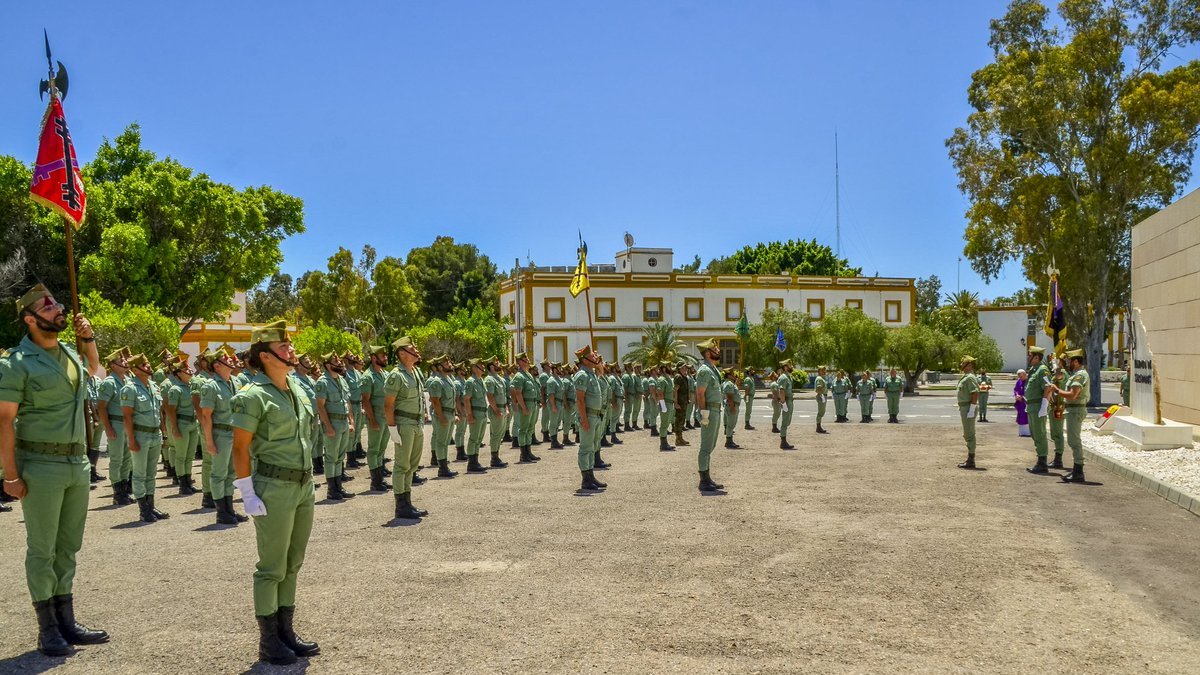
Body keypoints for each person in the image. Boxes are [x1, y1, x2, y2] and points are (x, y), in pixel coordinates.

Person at [0, 284, 109, 656]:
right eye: (49, 309)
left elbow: (98, 371)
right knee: (42, 549)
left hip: (76, 462)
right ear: (31, 320)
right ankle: (47, 628)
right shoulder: (15, 363)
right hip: (41, 464)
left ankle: (66, 620)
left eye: (59, 305)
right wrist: (10, 475)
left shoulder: (70, 353)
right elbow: (4, 422)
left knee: (68, 546)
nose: (58, 311)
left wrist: (89, 337)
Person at [228, 320, 321, 665]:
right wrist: (247, 492)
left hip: (302, 485)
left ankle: (286, 631)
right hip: (274, 487)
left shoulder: (296, 389)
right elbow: (240, 448)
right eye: (283, 347)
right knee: (271, 567)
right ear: (264, 356)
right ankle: (268, 641)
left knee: (293, 563)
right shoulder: (253, 396)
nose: (290, 350)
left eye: (289, 345)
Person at [200, 345, 248, 524]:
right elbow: (206, 416)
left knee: (231, 474)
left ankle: (229, 509)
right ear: (217, 365)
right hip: (221, 433)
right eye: (226, 359)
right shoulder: (211, 386)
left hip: (235, 433)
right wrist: (210, 442)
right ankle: (221, 512)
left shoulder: (235, 382)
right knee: (219, 473)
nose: (230, 360)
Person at [384, 336, 429, 520]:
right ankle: (400, 505)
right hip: (404, 424)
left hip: (416, 423)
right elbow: (388, 405)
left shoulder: (415, 372)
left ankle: (408, 501)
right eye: (413, 349)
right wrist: (392, 428)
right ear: (402, 354)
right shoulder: (396, 375)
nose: (417, 351)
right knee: (402, 465)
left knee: (412, 465)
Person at [121, 353, 169, 523]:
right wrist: (131, 439)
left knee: (151, 473)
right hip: (140, 435)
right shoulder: (130, 388)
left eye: (148, 364)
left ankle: (151, 506)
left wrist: (164, 433)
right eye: (145, 365)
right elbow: (127, 416)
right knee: (140, 474)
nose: (149, 367)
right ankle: (143, 510)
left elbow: (160, 413)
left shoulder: (154, 387)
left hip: (154, 434)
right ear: (135, 369)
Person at [98, 347, 134, 505]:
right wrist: (108, 427)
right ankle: (117, 493)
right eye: (121, 361)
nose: (125, 362)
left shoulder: (127, 381)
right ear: (113, 365)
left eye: (124, 360)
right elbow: (101, 407)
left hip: (128, 424)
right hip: (116, 423)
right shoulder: (109, 383)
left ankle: (124, 490)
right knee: (117, 459)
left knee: (127, 459)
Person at [1051, 348, 1091, 483]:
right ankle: (1076, 471)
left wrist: (1057, 390)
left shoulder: (1080, 375)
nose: (1067, 363)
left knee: (1074, 440)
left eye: (1069, 360)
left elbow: (1073, 395)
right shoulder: (1075, 374)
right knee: (1072, 440)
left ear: (1076, 361)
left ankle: (1078, 472)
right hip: (1072, 410)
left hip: (1076, 410)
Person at [163, 354, 199, 497]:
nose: (190, 372)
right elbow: (170, 411)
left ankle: (188, 480)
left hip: (192, 423)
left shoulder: (190, 387)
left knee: (190, 455)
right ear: (178, 374)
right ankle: (182, 484)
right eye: (186, 370)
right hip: (182, 423)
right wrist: (175, 428)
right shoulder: (175, 390)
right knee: (181, 455)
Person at [693, 339, 726, 492]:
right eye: (715, 349)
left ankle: (707, 477)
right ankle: (703, 480)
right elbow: (700, 394)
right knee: (706, 446)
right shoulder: (704, 370)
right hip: (710, 411)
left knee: (711, 445)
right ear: (708, 353)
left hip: (716, 410)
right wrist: (704, 413)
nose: (718, 351)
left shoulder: (712, 369)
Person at [572, 345, 607, 491]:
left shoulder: (591, 373)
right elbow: (580, 400)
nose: (595, 358)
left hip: (596, 415)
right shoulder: (582, 375)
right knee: (586, 448)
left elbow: (602, 372)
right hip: (589, 416)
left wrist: (598, 364)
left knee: (592, 447)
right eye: (592, 356)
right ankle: (585, 479)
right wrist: (584, 419)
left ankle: (591, 475)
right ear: (584, 360)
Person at [359, 345, 392, 492]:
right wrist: (372, 420)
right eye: (382, 356)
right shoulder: (368, 376)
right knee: (373, 449)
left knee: (381, 449)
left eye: (385, 355)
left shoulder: (384, 374)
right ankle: (375, 482)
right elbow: (366, 401)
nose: (385, 358)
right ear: (374, 358)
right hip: (376, 416)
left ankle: (380, 479)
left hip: (385, 416)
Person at [1025, 347, 1053, 474]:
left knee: (1040, 433)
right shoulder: (1034, 370)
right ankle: (1040, 460)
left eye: (1030, 355)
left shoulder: (1042, 370)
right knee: (1035, 433)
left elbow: (1048, 387)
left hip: (1038, 406)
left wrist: (1044, 405)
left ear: (1036, 357)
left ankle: (1042, 463)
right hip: (1032, 406)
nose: (1028, 357)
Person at [511, 352, 541, 463]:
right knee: (523, 429)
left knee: (530, 429)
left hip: (532, 404)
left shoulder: (527, 374)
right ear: (519, 362)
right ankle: (523, 454)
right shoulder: (519, 376)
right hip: (526, 404)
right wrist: (523, 407)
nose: (528, 360)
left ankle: (528, 452)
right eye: (525, 359)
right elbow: (518, 393)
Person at [483, 355, 512, 467]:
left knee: (500, 434)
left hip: (502, 408)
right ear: (491, 367)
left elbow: (504, 395)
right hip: (497, 409)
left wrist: (505, 408)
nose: (499, 364)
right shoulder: (489, 379)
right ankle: (494, 459)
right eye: (497, 363)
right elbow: (490, 396)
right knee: (495, 435)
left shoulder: (499, 378)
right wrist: (496, 410)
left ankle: (497, 456)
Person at [462, 358, 489, 473]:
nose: (483, 367)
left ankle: (476, 460)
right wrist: (469, 415)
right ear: (474, 368)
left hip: (482, 413)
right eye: (480, 365)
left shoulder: (480, 380)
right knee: (474, 438)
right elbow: (467, 399)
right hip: (476, 413)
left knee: (479, 438)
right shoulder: (470, 381)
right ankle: (471, 463)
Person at [956, 356, 981, 469]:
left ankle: (971, 460)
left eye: (963, 363)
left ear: (968, 365)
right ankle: (970, 458)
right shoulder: (966, 377)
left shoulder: (970, 377)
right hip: (965, 407)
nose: (961, 365)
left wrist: (971, 408)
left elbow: (975, 393)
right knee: (967, 433)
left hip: (968, 408)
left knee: (969, 434)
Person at [776, 360, 795, 449]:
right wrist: (784, 403)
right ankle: (783, 442)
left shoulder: (787, 377)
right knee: (785, 421)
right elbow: (782, 391)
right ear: (786, 367)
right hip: (786, 401)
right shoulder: (783, 377)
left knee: (787, 421)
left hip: (789, 401)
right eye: (790, 365)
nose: (792, 366)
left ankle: (784, 441)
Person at [722, 368, 741, 449]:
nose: (734, 375)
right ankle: (728, 441)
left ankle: (729, 440)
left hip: (731, 405)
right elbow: (730, 396)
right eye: (733, 374)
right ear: (729, 375)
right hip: (731, 405)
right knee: (731, 425)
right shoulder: (729, 384)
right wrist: (732, 407)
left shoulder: (729, 383)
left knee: (731, 424)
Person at [672, 364, 690, 448]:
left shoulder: (684, 377)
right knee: (679, 420)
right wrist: (675, 403)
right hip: (679, 402)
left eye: (686, 367)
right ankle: (678, 439)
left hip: (684, 402)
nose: (685, 369)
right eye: (684, 367)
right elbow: (675, 390)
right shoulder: (678, 377)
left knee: (682, 420)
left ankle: (680, 438)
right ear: (679, 368)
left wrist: (687, 399)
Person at [1014, 369, 1030, 437]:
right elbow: (1016, 390)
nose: (1020, 378)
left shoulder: (1029, 381)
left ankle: (1029, 432)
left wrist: (1023, 397)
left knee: (1027, 417)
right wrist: (1017, 395)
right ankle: (1022, 432)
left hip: (1027, 402)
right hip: (1021, 402)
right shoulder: (1019, 381)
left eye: (1021, 376)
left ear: (1025, 374)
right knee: (1021, 416)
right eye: (1019, 377)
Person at [814, 365, 830, 434]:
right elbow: (818, 388)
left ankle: (819, 426)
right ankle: (818, 427)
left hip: (822, 396)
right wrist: (822, 396)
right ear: (820, 371)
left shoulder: (821, 378)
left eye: (825, 370)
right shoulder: (819, 379)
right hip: (821, 396)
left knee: (822, 411)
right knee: (821, 412)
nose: (824, 371)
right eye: (823, 370)